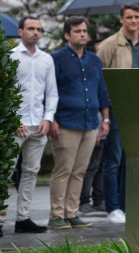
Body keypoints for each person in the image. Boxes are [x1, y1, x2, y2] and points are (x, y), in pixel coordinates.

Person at [47, 16, 111, 229]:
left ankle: (71, 213)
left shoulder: (94, 60)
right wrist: (52, 120)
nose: (82, 34)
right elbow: (49, 91)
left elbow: (102, 91)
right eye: (77, 31)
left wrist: (106, 120)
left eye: (84, 31)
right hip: (65, 123)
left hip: (91, 123)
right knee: (63, 170)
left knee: (80, 171)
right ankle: (56, 216)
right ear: (67, 35)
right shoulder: (56, 59)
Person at [97, 2, 139, 223]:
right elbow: (100, 77)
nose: (133, 21)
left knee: (132, 159)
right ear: (121, 19)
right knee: (114, 159)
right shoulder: (109, 44)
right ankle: (112, 207)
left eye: (137, 17)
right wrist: (106, 111)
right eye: (129, 17)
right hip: (117, 106)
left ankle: (125, 206)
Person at [10, 16, 58, 233]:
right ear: (21, 31)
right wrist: (12, 118)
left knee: (31, 172)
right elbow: (4, 92)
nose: (35, 32)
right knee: (5, 172)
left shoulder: (47, 59)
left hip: (38, 126)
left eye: (39, 29)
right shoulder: (10, 57)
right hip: (14, 126)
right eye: (31, 28)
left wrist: (48, 118)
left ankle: (23, 218)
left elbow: (52, 92)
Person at [78, 39, 107, 217]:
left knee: (101, 165)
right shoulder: (87, 74)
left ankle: (98, 198)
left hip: (101, 124)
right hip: (91, 125)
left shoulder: (99, 72)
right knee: (90, 166)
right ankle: (84, 200)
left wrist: (106, 121)